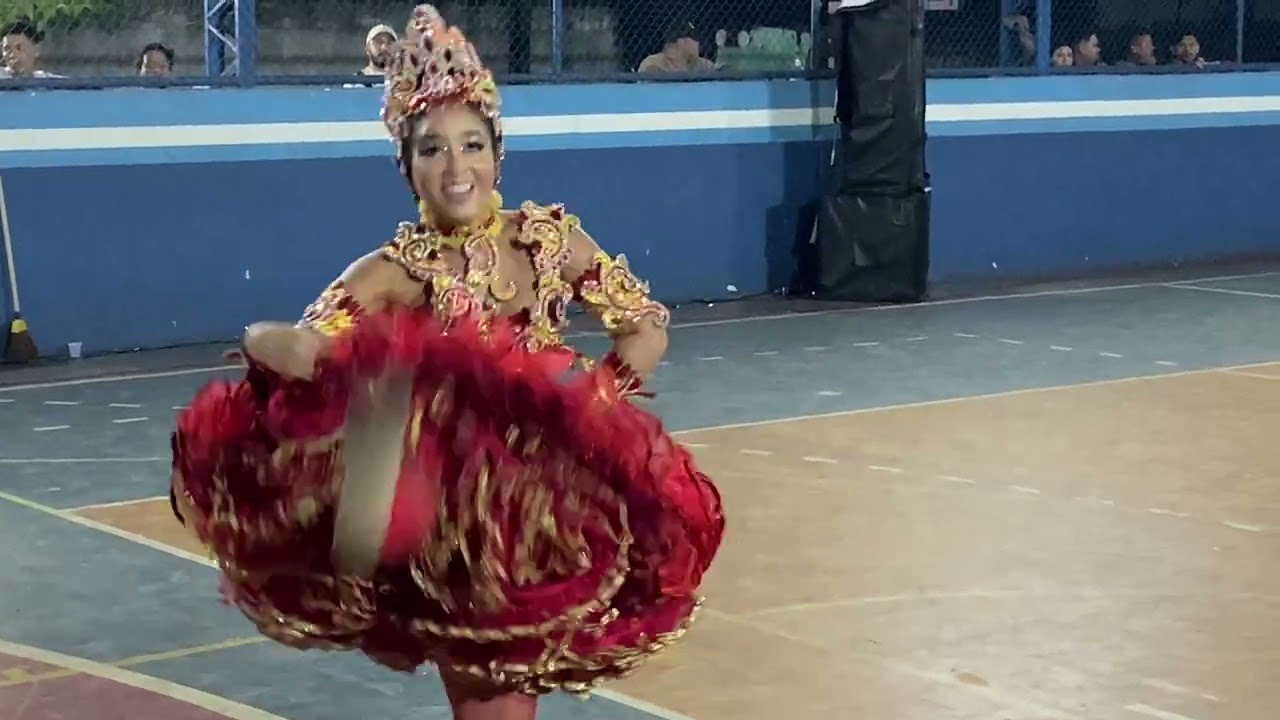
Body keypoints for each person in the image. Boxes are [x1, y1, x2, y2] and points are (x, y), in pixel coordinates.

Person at [169, 5, 724, 719]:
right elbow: (308, 343)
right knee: (494, 698)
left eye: (471, 144)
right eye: (431, 149)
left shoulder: (547, 239)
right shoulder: (394, 270)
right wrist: (263, 339)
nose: (456, 167)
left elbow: (642, 323)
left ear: (498, 153)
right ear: (407, 168)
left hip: (564, 504)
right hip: (464, 536)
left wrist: (600, 396)